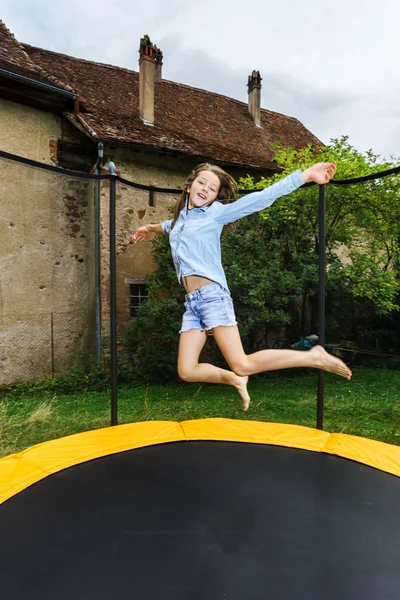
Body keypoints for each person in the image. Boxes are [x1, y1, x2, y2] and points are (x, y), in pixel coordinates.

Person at [131, 162, 352, 411]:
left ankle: (313, 357)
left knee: (242, 363)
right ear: (190, 184)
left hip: (212, 297)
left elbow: (262, 198)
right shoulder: (179, 221)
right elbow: (166, 227)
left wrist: (304, 176)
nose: (205, 189)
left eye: (212, 188)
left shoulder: (215, 214)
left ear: (216, 196)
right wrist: (147, 228)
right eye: (202, 183)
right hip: (193, 304)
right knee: (187, 370)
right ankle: (233, 379)